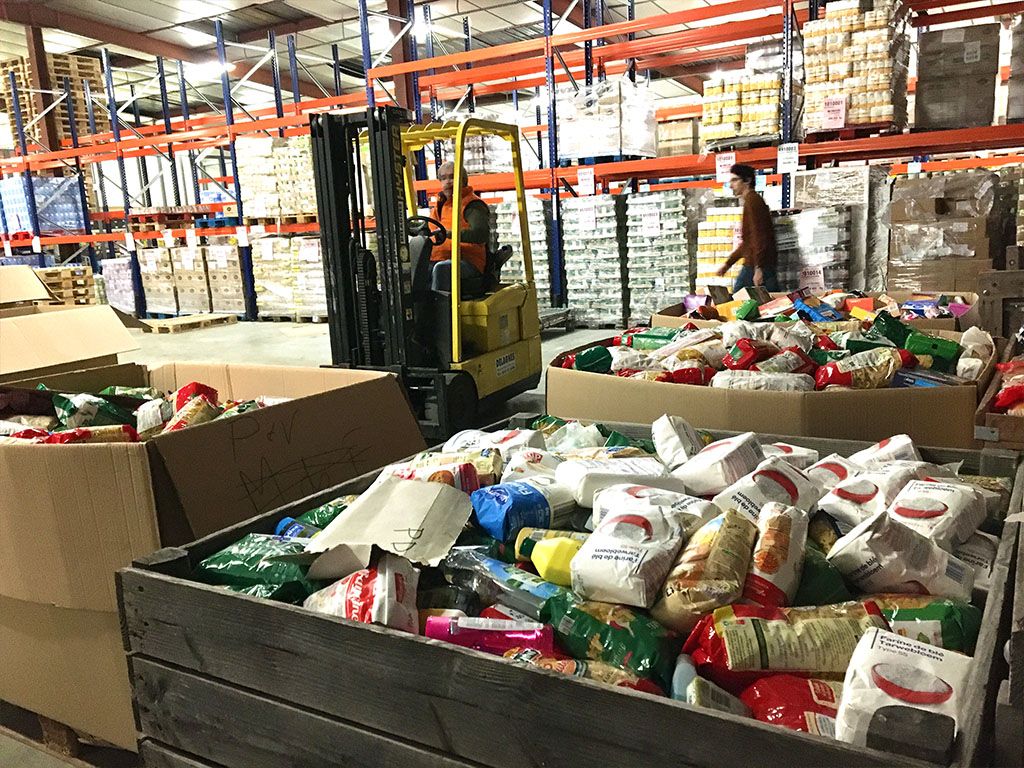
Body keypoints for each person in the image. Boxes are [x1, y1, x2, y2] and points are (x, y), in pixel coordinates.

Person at [428, 161, 491, 292]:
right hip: (440, 258)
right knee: (414, 268)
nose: (448, 182)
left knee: (442, 269)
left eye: (452, 177)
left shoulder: (472, 205)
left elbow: (481, 234)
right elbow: (430, 228)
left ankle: (441, 305)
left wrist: (449, 234)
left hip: (468, 262)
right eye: (443, 178)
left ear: (463, 180)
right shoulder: (439, 205)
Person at [716, 163, 779, 292]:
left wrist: (759, 268)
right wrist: (728, 264)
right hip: (756, 264)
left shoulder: (753, 201)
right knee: (767, 300)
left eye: (735, 180)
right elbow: (748, 241)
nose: (731, 185)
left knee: (738, 298)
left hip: (756, 265)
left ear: (747, 180)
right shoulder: (751, 201)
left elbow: (759, 236)